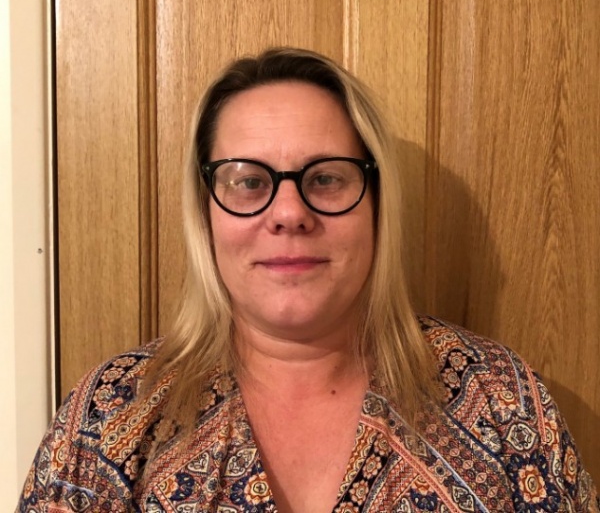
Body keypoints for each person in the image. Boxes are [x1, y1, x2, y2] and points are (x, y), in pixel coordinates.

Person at [18, 47, 598, 512]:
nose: (290, 213)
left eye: (326, 178)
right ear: (205, 211)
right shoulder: (111, 414)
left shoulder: (499, 401)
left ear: (377, 203)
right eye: (248, 181)